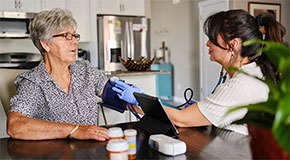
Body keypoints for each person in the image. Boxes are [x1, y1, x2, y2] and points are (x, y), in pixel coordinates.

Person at [112, 9, 287, 135]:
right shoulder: (255, 70)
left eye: (212, 39)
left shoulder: (241, 84)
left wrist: (137, 98)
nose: (207, 44)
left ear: (232, 45)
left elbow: (181, 119)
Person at [7, 8, 110, 140]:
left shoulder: (84, 70)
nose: (75, 41)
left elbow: (113, 92)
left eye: (74, 35)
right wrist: (74, 130)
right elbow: (15, 126)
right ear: (45, 44)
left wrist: (136, 100)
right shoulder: (34, 82)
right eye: (66, 36)